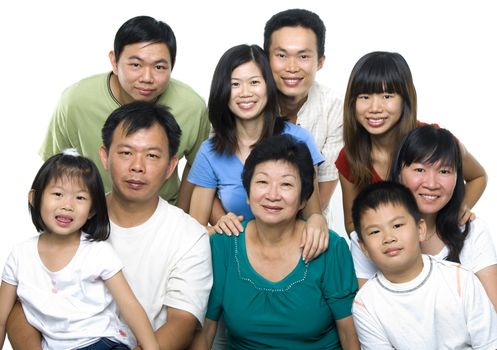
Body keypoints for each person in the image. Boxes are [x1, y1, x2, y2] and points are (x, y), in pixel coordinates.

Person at [7, 102, 213, 349]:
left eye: (152, 155)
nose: (137, 166)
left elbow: (182, 322)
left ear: (170, 166)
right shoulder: (71, 217)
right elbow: (22, 305)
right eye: (126, 153)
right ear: (104, 156)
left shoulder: (190, 236)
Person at [190, 134, 359, 349]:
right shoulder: (224, 243)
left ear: (303, 199)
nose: (272, 194)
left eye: (286, 184)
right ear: (248, 194)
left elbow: (349, 334)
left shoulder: (330, 246)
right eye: (262, 182)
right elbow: (205, 331)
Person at [39, 15, 210, 212]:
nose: (147, 77)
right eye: (136, 65)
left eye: (159, 67)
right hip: (94, 215)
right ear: (114, 61)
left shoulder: (191, 106)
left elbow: (198, 165)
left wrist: (179, 215)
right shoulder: (75, 101)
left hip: (162, 212)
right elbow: (55, 164)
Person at [0, 150, 159, 349]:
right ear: (34, 198)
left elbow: (130, 306)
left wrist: (152, 347)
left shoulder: (98, 252)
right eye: (58, 194)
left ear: (92, 209)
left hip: (102, 341)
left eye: (80, 198)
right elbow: (2, 317)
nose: (67, 205)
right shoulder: (20, 255)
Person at [188, 44, 328, 262]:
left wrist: (318, 220)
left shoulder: (299, 139)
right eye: (235, 84)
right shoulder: (210, 151)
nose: (245, 93)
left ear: (268, 86)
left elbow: (313, 213)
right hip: (235, 260)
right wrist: (218, 227)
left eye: (254, 82)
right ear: (222, 90)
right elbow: (194, 232)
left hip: (294, 257)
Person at [336, 51, 487, 234]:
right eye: (364, 97)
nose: (375, 108)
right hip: (385, 253)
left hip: (437, 243)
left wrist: (460, 209)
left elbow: (478, 177)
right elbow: (352, 224)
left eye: (387, 96)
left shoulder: (433, 140)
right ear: (352, 103)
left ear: (405, 99)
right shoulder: (350, 155)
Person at [350, 125, 497, 305]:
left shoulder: (472, 231)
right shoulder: (369, 238)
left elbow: (492, 313)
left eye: (444, 171)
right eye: (419, 170)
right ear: (398, 172)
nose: (431, 183)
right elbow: (370, 310)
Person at [351, 181, 497, 349]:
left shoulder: (461, 280)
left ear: (420, 230)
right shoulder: (365, 304)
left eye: (397, 225)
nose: (388, 237)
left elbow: (489, 344)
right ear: (364, 248)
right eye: (375, 231)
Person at [263, 8, 343, 218]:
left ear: (320, 61)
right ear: (266, 58)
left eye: (303, 56)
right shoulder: (243, 100)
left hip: (308, 226)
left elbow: (323, 191)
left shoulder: (333, 107)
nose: (292, 67)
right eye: (281, 55)